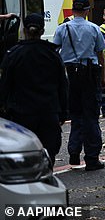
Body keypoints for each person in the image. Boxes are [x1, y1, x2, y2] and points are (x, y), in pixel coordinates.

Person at [0, 13, 68, 166]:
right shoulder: (52, 54)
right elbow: (63, 85)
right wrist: (64, 111)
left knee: (24, 152)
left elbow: (4, 85)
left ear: (24, 30)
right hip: (48, 111)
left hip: (21, 113)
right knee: (49, 149)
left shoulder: (13, 54)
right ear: (42, 31)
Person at [53, 0, 105, 171]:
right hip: (90, 75)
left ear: (72, 10)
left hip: (70, 76)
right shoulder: (93, 29)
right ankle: (92, 158)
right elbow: (101, 55)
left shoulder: (62, 29)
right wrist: (103, 77)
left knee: (75, 115)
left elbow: (54, 52)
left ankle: (74, 153)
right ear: (86, 11)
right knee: (91, 117)